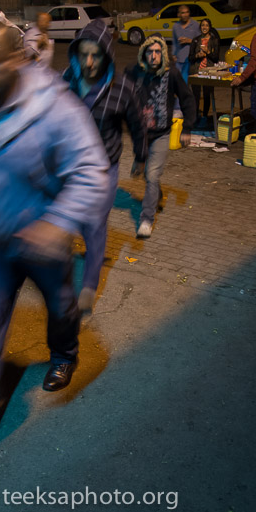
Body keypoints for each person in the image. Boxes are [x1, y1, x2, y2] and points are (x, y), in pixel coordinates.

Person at [0, 19, 109, 447]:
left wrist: (58, 222)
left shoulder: (56, 108)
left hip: (43, 239)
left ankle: (64, 354)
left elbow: (92, 173)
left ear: (16, 58)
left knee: (61, 306)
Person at [63, 19, 147, 314]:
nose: (88, 62)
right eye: (83, 55)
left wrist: (141, 155)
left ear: (107, 55)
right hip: (70, 169)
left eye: (95, 55)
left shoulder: (122, 88)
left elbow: (137, 124)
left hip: (104, 168)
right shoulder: (66, 82)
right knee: (65, 224)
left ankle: (87, 286)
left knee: (96, 225)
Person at [127, 35, 196, 239]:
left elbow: (187, 99)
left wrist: (187, 128)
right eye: (150, 52)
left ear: (163, 54)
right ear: (144, 54)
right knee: (143, 173)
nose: (154, 56)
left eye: (158, 52)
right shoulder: (135, 73)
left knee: (152, 175)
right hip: (140, 135)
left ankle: (146, 219)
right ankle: (155, 195)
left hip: (161, 134)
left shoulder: (171, 74)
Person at [188, 18, 220, 125]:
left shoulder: (214, 40)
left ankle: (205, 116)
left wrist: (208, 52)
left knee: (207, 95)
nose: (204, 27)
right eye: (202, 25)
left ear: (210, 27)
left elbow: (216, 58)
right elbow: (190, 58)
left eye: (206, 25)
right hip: (196, 71)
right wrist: (197, 55)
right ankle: (195, 116)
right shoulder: (195, 40)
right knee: (195, 96)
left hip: (209, 72)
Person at [172, 4, 200, 84]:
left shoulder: (195, 25)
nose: (185, 15)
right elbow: (174, 42)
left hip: (191, 59)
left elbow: (200, 41)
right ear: (179, 14)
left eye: (187, 12)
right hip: (179, 59)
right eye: (183, 13)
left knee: (186, 82)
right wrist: (174, 55)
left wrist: (189, 41)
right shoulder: (176, 26)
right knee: (178, 82)